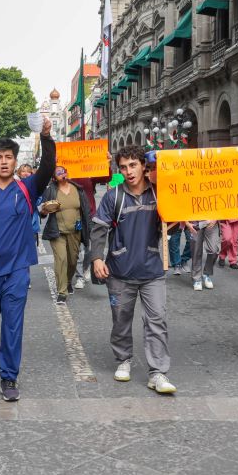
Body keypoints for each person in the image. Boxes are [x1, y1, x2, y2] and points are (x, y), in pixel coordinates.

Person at [0, 117, 55, 402]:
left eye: (9, 157)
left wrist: (47, 137)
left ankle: (9, 377)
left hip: (17, 271)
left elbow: (48, 168)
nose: (4, 162)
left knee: (13, 324)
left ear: (15, 161)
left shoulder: (27, 189)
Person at [89, 146, 177, 395]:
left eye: (133, 165)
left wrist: (183, 220)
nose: (128, 171)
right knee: (121, 319)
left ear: (143, 166)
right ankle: (123, 359)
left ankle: (158, 372)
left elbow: (172, 221)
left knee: (157, 319)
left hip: (153, 271)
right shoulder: (113, 197)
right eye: (124, 167)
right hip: (119, 272)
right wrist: (97, 258)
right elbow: (99, 229)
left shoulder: (160, 194)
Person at [40, 166, 90, 304]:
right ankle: (62, 291)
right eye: (59, 172)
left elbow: (85, 209)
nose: (62, 174)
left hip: (75, 231)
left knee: (73, 260)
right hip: (57, 232)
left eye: (64, 171)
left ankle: (68, 281)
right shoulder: (51, 190)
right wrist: (44, 211)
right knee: (61, 260)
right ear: (54, 177)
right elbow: (42, 210)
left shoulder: (77, 189)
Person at [188, 220, 220, 291]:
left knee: (214, 250)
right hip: (195, 221)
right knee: (196, 250)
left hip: (212, 219)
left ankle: (206, 273)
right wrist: (187, 223)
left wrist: (216, 218)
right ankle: (197, 278)